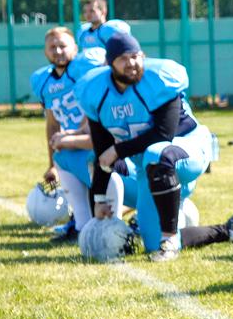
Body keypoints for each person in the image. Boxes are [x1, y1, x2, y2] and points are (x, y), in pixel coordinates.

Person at [75, 31, 217, 262]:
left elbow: (163, 134)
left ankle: (169, 240)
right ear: (110, 63)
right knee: (152, 242)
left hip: (188, 149)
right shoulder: (97, 93)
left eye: (135, 56)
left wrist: (118, 150)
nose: (131, 63)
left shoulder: (159, 79)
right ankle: (228, 230)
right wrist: (99, 200)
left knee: (157, 152)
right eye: (123, 58)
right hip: (149, 167)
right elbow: (103, 153)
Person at [29, 28, 126, 241]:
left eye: (63, 46)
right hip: (73, 144)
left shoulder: (85, 66)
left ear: (75, 48)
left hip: (99, 141)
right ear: (45, 51)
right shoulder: (42, 81)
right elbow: (52, 123)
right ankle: (81, 225)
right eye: (52, 47)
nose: (58, 51)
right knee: (61, 158)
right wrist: (51, 164)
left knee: (98, 170)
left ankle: (113, 223)